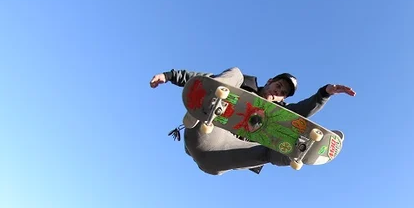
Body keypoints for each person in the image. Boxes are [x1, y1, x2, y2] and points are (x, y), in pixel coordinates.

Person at [150, 67, 356, 175]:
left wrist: (324, 93)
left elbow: (302, 111)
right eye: (278, 86)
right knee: (236, 74)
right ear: (269, 81)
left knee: (280, 137)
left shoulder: (278, 112)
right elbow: (201, 79)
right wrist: (168, 76)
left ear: (283, 100)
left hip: (227, 156)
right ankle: (212, 106)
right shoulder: (241, 85)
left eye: (282, 94)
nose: (278, 92)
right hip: (205, 134)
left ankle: (300, 149)